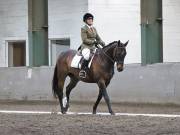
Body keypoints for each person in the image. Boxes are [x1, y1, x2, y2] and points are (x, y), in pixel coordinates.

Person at [79, 13, 105, 78]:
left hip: (93, 47)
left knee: (101, 54)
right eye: (89, 19)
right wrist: (94, 42)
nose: (90, 20)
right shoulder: (83, 28)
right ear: (85, 21)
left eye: (91, 19)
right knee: (87, 56)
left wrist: (103, 43)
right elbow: (84, 40)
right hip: (86, 47)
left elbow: (98, 38)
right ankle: (82, 71)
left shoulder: (94, 28)